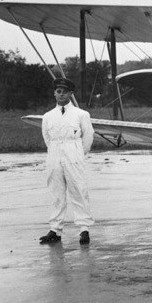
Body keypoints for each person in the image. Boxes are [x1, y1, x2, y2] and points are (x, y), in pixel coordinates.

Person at [39, 77, 95, 245]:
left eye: (64, 91)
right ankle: (55, 230)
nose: (61, 94)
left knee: (79, 190)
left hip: (74, 154)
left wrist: (78, 154)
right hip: (54, 155)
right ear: (54, 93)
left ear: (71, 93)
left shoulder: (81, 114)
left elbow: (88, 137)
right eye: (58, 91)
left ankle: (84, 229)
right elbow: (47, 138)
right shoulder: (48, 117)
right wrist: (56, 152)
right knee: (56, 193)